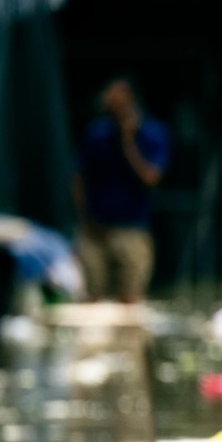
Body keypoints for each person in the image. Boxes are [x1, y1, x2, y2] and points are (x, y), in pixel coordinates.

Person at [73, 76, 168, 303]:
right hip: (96, 228)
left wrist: (128, 144)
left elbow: (150, 178)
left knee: (130, 299)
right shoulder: (97, 133)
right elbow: (78, 178)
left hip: (132, 228)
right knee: (91, 298)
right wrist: (85, 218)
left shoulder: (153, 132)